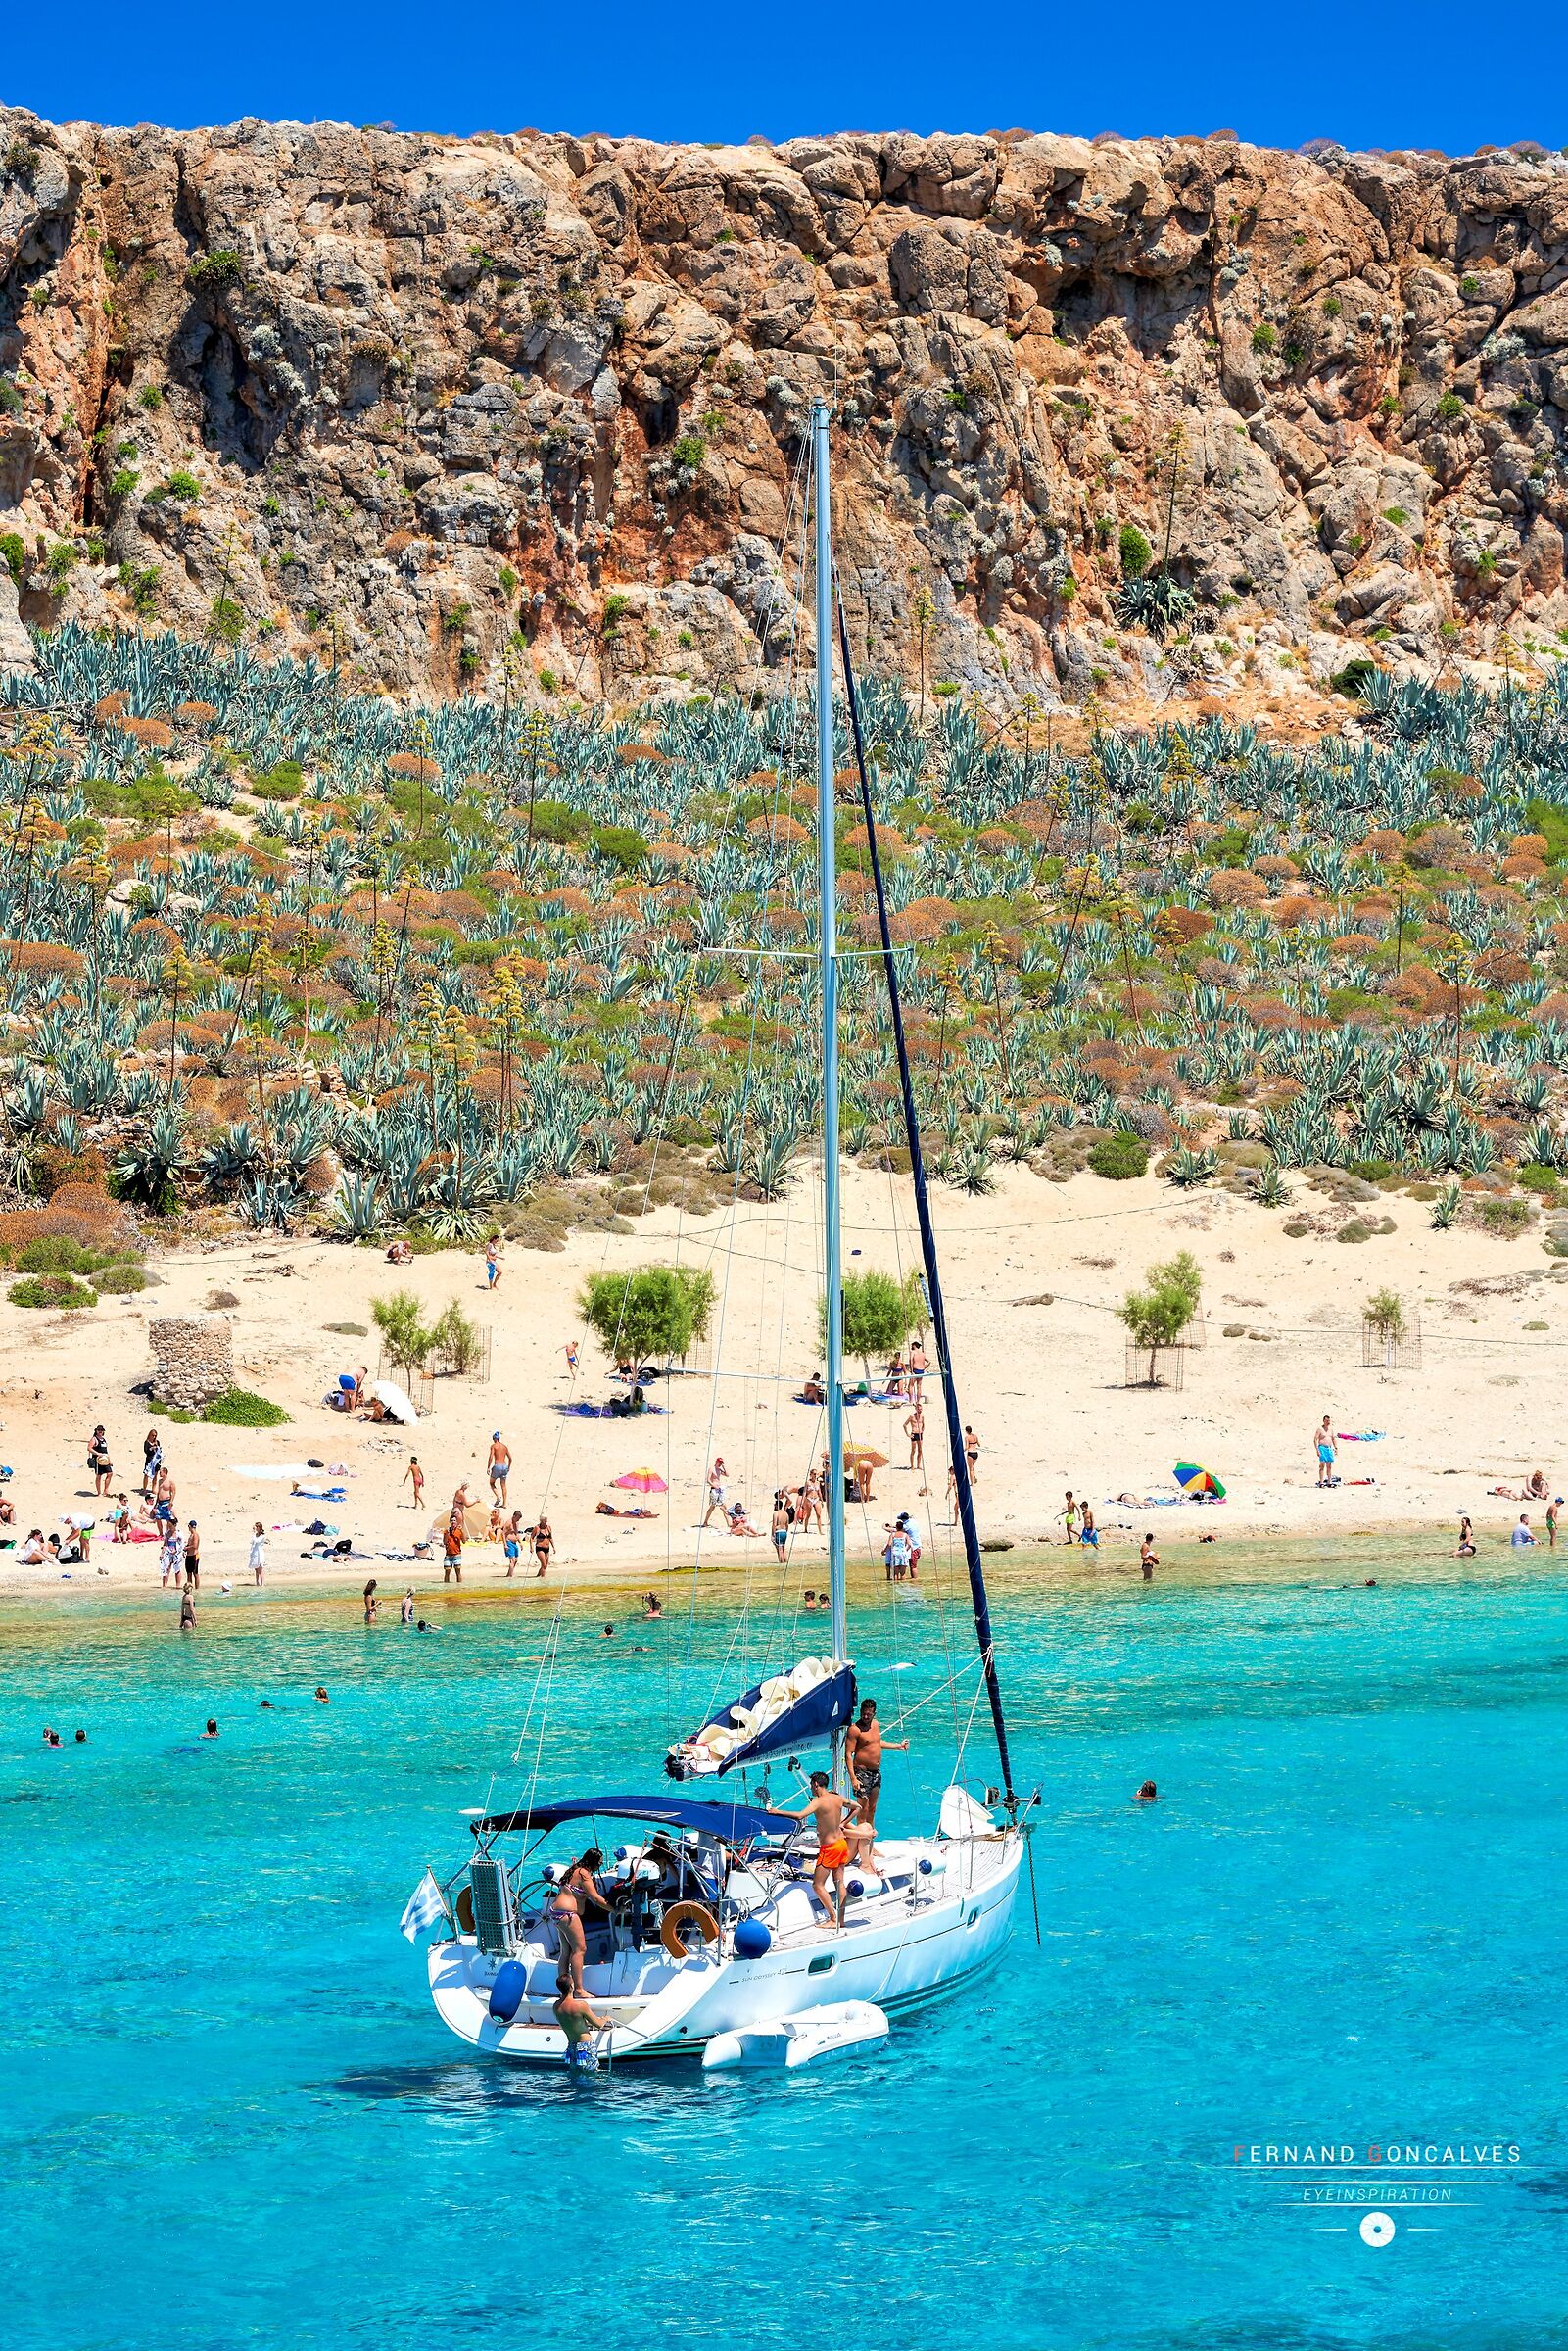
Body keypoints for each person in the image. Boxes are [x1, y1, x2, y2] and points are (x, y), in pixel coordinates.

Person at [784, 1771, 856, 1930]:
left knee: (818, 1885)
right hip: (841, 1844)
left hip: (829, 1848)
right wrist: (844, 1822)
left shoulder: (819, 1801)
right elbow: (857, 1807)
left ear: (816, 1784)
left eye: (811, 1785)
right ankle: (841, 1920)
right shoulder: (837, 1798)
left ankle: (832, 1917)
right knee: (839, 1883)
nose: (810, 1787)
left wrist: (778, 1812)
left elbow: (799, 1815)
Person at [548, 1884, 611, 2050]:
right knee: (578, 1949)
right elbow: (598, 2024)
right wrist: (606, 2018)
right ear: (572, 1986)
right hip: (586, 2047)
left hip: (571, 2049)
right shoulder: (580, 2006)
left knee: (565, 1951)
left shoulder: (557, 2007)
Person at [844, 1698, 907, 1831]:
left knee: (872, 1809)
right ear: (860, 1711)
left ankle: (870, 1842)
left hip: (875, 1773)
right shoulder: (855, 1730)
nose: (865, 1716)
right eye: (863, 1713)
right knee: (862, 1810)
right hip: (861, 1773)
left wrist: (898, 1746)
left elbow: (877, 1743)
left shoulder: (876, 1725)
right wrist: (853, 1778)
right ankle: (862, 1844)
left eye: (869, 1714)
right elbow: (848, 1754)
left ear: (874, 1713)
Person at [563, 1848, 611, 1920]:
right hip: (574, 1914)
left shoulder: (573, 1869)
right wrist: (614, 1910)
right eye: (600, 1863)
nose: (600, 1865)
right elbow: (596, 1899)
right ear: (593, 1862)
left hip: (563, 1909)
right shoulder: (583, 1874)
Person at [701, 1456, 728, 1529]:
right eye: (719, 1462)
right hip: (714, 1489)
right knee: (712, 1507)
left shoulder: (719, 1470)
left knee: (724, 1506)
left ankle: (729, 1523)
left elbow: (727, 1475)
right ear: (716, 1462)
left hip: (720, 1490)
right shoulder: (711, 1469)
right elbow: (708, 1480)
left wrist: (723, 1466)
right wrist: (713, 1485)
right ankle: (705, 1522)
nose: (720, 1464)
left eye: (721, 1463)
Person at [88, 1424, 113, 1496]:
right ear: (96, 1431)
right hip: (98, 1460)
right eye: (99, 1430)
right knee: (99, 1475)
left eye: (101, 1430)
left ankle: (106, 1490)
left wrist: (109, 1460)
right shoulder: (94, 1439)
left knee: (110, 1473)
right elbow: (89, 1448)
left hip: (105, 1459)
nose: (100, 1432)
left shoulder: (103, 1439)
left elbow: (105, 1450)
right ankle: (99, 1492)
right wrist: (97, 1453)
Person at [487, 1433, 511, 1504]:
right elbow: (510, 1458)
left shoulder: (493, 1446)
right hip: (505, 1466)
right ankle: (505, 1503)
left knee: (491, 1483)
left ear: (494, 1439)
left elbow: (491, 1457)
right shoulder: (505, 1447)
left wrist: (488, 1467)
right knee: (503, 1485)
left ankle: (498, 1496)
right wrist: (509, 1467)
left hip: (497, 1466)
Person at [1314, 1416, 1337, 1489]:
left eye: (1329, 1421)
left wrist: (1336, 1447)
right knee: (1322, 1465)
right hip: (1322, 1448)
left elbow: (1333, 1438)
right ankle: (1321, 1482)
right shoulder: (1320, 1429)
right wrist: (1317, 1450)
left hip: (1329, 1448)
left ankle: (1329, 1482)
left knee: (1329, 1466)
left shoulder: (1331, 1429)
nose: (1328, 1422)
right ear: (1324, 1421)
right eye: (1327, 1421)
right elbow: (1315, 1439)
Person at [903, 1396, 925, 1470]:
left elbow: (923, 1424)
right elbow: (904, 1425)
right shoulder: (912, 1416)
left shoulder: (922, 1416)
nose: (920, 1410)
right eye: (918, 1409)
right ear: (916, 1409)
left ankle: (918, 1465)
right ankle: (912, 1466)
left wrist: (922, 1431)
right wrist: (908, 1434)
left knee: (920, 1450)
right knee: (913, 1451)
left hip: (920, 1434)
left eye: (921, 1409)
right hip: (914, 1434)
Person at [442, 1515, 463, 1585]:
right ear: (450, 1522)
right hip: (448, 1555)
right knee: (447, 1572)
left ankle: (459, 1587)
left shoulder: (459, 1531)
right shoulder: (446, 1531)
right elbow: (444, 1542)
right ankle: (446, 1586)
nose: (453, 1522)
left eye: (454, 1521)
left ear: (457, 1522)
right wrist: (447, 1534)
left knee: (458, 1572)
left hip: (457, 1554)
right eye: (452, 1521)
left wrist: (461, 1531)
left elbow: (464, 1541)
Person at [770, 1491, 791, 1564]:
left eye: (774, 1505)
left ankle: (781, 1565)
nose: (774, 1506)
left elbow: (774, 1525)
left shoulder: (776, 1514)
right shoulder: (786, 1514)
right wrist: (785, 1532)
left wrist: (772, 1535)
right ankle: (785, 1564)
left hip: (778, 1532)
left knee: (779, 1550)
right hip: (784, 1532)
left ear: (777, 1506)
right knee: (783, 1550)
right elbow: (787, 1525)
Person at [159, 1523, 181, 1587]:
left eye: (171, 1526)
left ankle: (178, 1585)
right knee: (166, 1568)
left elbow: (181, 1545)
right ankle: (164, 1585)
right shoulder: (167, 1533)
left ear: (175, 1525)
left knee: (177, 1569)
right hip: (168, 1552)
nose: (170, 1528)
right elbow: (165, 1544)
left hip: (177, 1553)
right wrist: (162, 1553)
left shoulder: (179, 1534)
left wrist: (176, 1550)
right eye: (169, 1526)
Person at [531, 1514, 553, 1578]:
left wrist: (553, 1547)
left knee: (545, 1566)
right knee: (544, 1565)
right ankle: (543, 1579)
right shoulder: (537, 1528)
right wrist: (531, 1547)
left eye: (546, 1521)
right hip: (539, 1548)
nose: (546, 1522)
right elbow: (531, 1537)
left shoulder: (548, 1527)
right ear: (541, 1521)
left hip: (547, 1548)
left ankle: (538, 1576)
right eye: (545, 1521)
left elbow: (550, 1537)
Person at [182, 1519, 201, 1590]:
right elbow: (190, 1545)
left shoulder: (195, 1535)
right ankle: (189, 1589)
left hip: (194, 1556)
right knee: (189, 1573)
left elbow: (195, 1546)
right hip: (189, 1556)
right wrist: (185, 1549)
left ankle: (197, 1589)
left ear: (189, 1526)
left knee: (195, 1573)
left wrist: (186, 1548)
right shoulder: (191, 1535)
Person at [502, 1511, 523, 1576]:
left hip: (515, 1543)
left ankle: (508, 1575)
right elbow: (503, 1533)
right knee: (512, 1560)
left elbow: (516, 1533)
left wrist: (520, 1542)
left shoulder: (516, 1523)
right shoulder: (509, 1523)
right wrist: (505, 1544)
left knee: (516, 1560)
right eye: (517, 1519)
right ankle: (510, 1577)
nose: (518, 1520)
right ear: (514, 1516)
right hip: (509, 1542)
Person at [248, 1521, 266, 1586]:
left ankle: (262, 1584)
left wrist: (254, 1535)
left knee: (260, 1569)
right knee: (256, 1569)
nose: (255, 1528)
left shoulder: (263, 1536)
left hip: (260, 1553)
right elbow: (252, 1542)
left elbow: (257, 1541)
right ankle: (257, 1582)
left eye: (256, 1527)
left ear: (259, 1528)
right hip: (254, 1552)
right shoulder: (254, 1535)